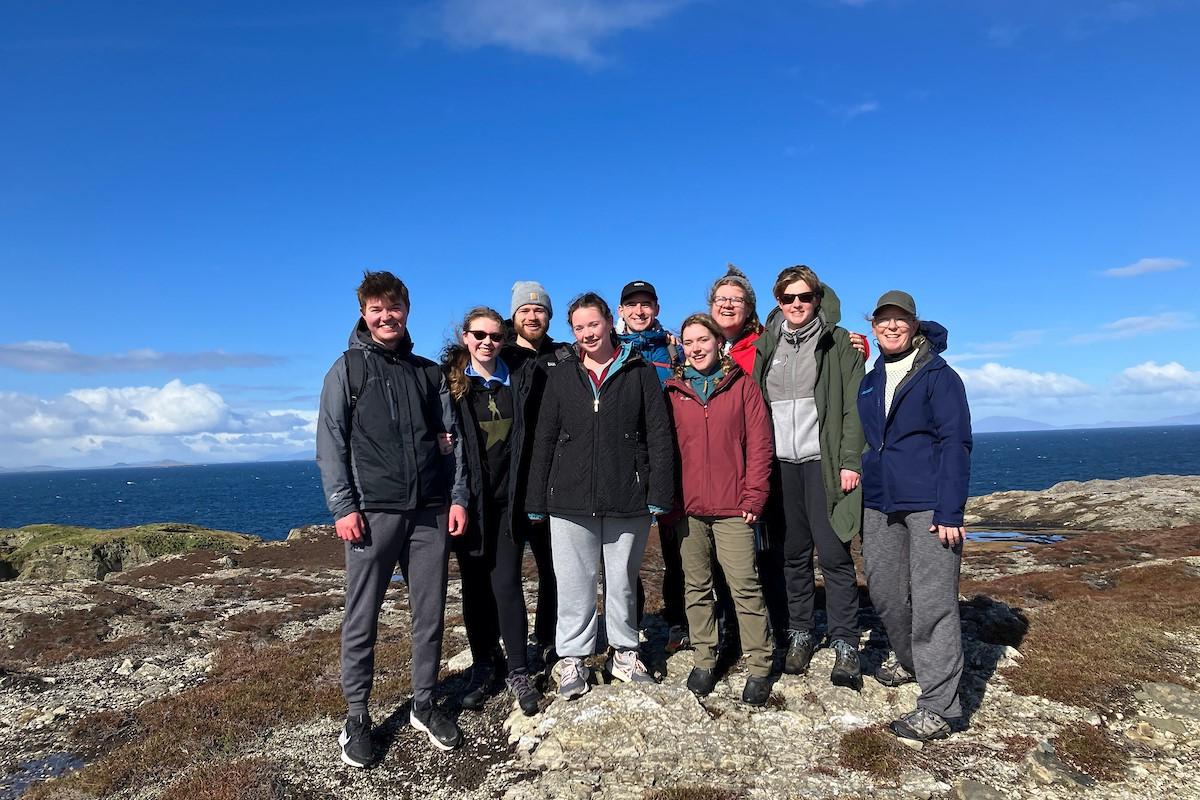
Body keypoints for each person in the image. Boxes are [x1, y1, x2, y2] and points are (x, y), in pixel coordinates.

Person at [317, 271, 469, 764]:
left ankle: (425, 704)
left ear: (407, 310)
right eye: (376, 309)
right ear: (364, 312)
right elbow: (331, 442)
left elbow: (453, 442)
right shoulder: (347, 370)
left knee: (429, 616)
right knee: (361, 619)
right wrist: (343, 507)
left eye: (394, 308)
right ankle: (357, 717)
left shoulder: (427, 373)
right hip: (372, 514)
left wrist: (457, 498)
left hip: (428, 513)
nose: (387, 317)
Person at [525, 292, 676, 699]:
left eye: (594, 324)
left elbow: (658, 435)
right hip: (570, 498)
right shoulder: (561, 374)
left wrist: (659, 492)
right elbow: (545, 439)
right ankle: (572, 658)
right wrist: (537, 499)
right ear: (572, 332)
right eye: (579, 327)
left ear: (610, 322)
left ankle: (624, 651)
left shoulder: (639, 371)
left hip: (628, 494)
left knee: (623, 581)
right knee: (574, 583)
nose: (588, 333)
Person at [857, 290, 972, 742]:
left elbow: (956, 444)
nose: (891, 326)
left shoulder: (940, 377)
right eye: (882, 320)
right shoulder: (870, 379)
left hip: (929, 503)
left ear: (914, 324)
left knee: (933, 601)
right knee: (885, 593)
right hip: (881, 499)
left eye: (899, 319)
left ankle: (940, 706)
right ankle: (912, 663)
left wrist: (950, 510)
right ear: (873, 326)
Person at [752, 265, 866, 689]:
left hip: (824, 462)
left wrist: (849, 461)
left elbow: (854, 408)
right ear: (778, 302)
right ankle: (801, 634)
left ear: (818, 299)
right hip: (781, 465)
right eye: (787, 298)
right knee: (793, 554)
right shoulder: (769, 345)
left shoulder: (840, 343)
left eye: (804, 297)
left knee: (835, 554)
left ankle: (845, 641)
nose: (796, 305)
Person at [664, 314, 775, 706]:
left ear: (717, 343)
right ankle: (705, 658)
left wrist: (754, 497)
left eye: (703, 341)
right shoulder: (673, 391)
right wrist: (670, 502)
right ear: (682, 346)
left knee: (744, 585)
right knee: (695, 588)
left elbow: (761, 445)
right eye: (689, 342)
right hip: (688, 509)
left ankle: (760, 664)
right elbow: (666, 452)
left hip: (734, 507)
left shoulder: (743, 386)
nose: (696, 348)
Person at [441, 307, 542, 716]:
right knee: (474, 587)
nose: (487, 342)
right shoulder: (450, 385)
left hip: (509, 503)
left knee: (506, 583)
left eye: (495, 336)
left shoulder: (519, 380)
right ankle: (485, 664)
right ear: (465, 337)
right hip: (469, 504)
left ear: (504, 339)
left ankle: (518, 668)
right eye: (479, 335)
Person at [616, 279, 689, 655]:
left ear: (657, 309)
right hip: (626, 461)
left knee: (676, 547)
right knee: (624, 551)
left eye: (646, 305)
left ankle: (680, 621)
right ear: (621, 312)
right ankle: (628, 626)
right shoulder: (610, 350)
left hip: (671, 459)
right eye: (632, 305)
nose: (640, 311)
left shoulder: (675, 350)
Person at [500, 280, 561, 670]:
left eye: (539, 310)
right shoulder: (499, 356)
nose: (532, 315)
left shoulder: (564, 355)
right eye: (525, 310)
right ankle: (511, 651)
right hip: (508, 482)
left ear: (548, 316)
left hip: (553, 478)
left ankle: (549, 638)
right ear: (514, 315)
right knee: (505, 573)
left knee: (554, 567)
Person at [708, 265, 764, 375]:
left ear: (749, 309)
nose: (727, 305)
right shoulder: (700, 346)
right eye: (720, 299)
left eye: (736, 300)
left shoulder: (764, 346)